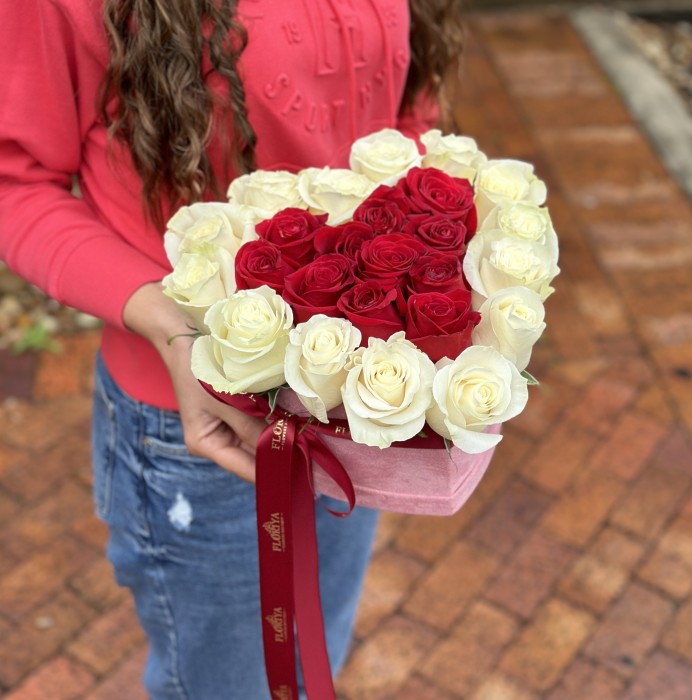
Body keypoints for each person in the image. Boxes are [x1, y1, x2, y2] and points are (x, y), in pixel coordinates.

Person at [0, 1, 462, 697]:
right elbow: (15, 183)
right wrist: (173, 325)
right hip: (206, 430)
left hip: (353, 404)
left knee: (315, 661)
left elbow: (401, 112)